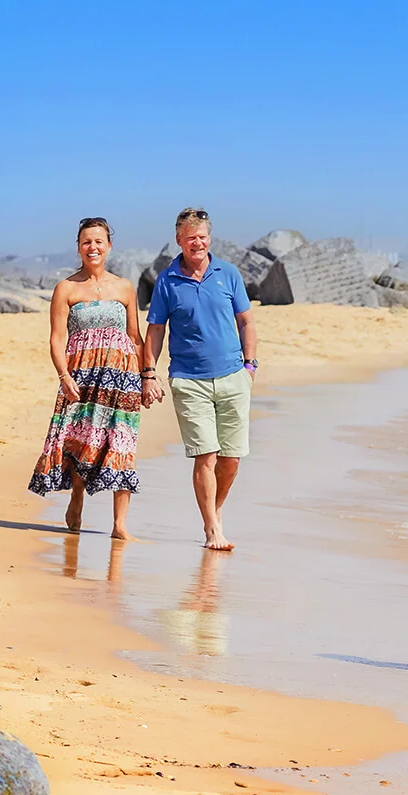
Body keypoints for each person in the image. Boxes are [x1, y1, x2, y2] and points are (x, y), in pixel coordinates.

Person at [142, 207, 257, 551]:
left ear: (210, 238)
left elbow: (246, 321)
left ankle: (214, 510)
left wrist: (250, 366)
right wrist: (149, 374)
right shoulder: (167, 281)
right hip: (189, 380)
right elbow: (156, 330)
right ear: (179, 240)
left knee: (231, 459)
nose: (198, 243)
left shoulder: (228, 273)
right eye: (191, 237)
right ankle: (211, 529)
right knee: (205, 454)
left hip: (234, 377)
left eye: (203, 236)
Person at [29, 217, 146, 539]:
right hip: (81, 376)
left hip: (122, 378)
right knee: (82, 442)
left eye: (98, 241)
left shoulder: (124, 287)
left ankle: (119, 524)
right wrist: (63, 375)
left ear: (109, 246)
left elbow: (134, 337)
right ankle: (77, 497)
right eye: (86, 242)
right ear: (79, 247)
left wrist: (147, 377)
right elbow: (56, 339)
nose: (92, 247)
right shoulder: (66, 288)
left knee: (122, 442)